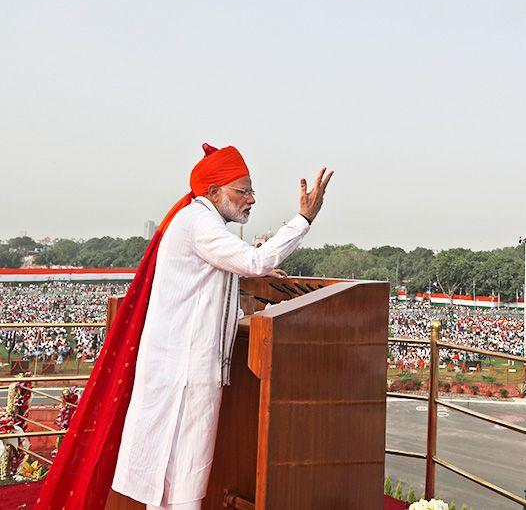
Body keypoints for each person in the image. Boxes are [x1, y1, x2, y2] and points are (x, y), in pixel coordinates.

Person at [37, 144, 333, 510]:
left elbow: (231, 273)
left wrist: (249, 274)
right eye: (243, 190)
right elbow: (256, 260)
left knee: (177, 474)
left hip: (183, 369)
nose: (252, 199)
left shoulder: (202, 223)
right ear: (213, 192)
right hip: (184, 373)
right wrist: (303, 219)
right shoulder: (200, 224)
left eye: (251, 190)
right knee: (184, 476)